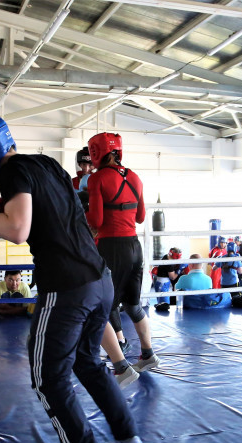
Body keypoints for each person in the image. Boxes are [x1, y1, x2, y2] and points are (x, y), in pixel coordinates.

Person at [0, 114, 146, 443]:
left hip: (67, 288)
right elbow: (51, 212)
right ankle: (128, 440)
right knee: (87, 362)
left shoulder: (12, 172)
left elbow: (18, 229)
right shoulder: (47, 163)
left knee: (49, 380)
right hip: (100, 279)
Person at [85, 132, 160, 376]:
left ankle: (120, 367)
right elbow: (139, 217)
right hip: (134, 247)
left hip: (110, 248)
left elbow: (95, 220)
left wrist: (77, 218)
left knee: (101, 308)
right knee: (133, 304)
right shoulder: (135, 177)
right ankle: (148, 354)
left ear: (97, 153)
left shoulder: (97, 179)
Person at [153, 247, 182, 312]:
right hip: (162, 284)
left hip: (164, 283)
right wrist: (179, 270)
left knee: (163, 303)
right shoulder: (169, 263)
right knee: (164, 305)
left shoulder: (166, 256)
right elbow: (173, 277)